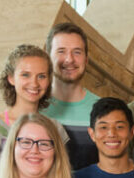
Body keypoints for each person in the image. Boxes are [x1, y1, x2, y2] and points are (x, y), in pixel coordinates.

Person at [0, 44, 69, 178]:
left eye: (42, 76)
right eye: (26, 74)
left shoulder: (55, 128)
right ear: (11, 78)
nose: (34, 83)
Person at [43, 22, 100, 170]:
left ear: (86, 59)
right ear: (48, 58)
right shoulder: (34, 108)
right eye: (61, 51)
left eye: (77, 52)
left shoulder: (102, 110)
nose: (69, 59)